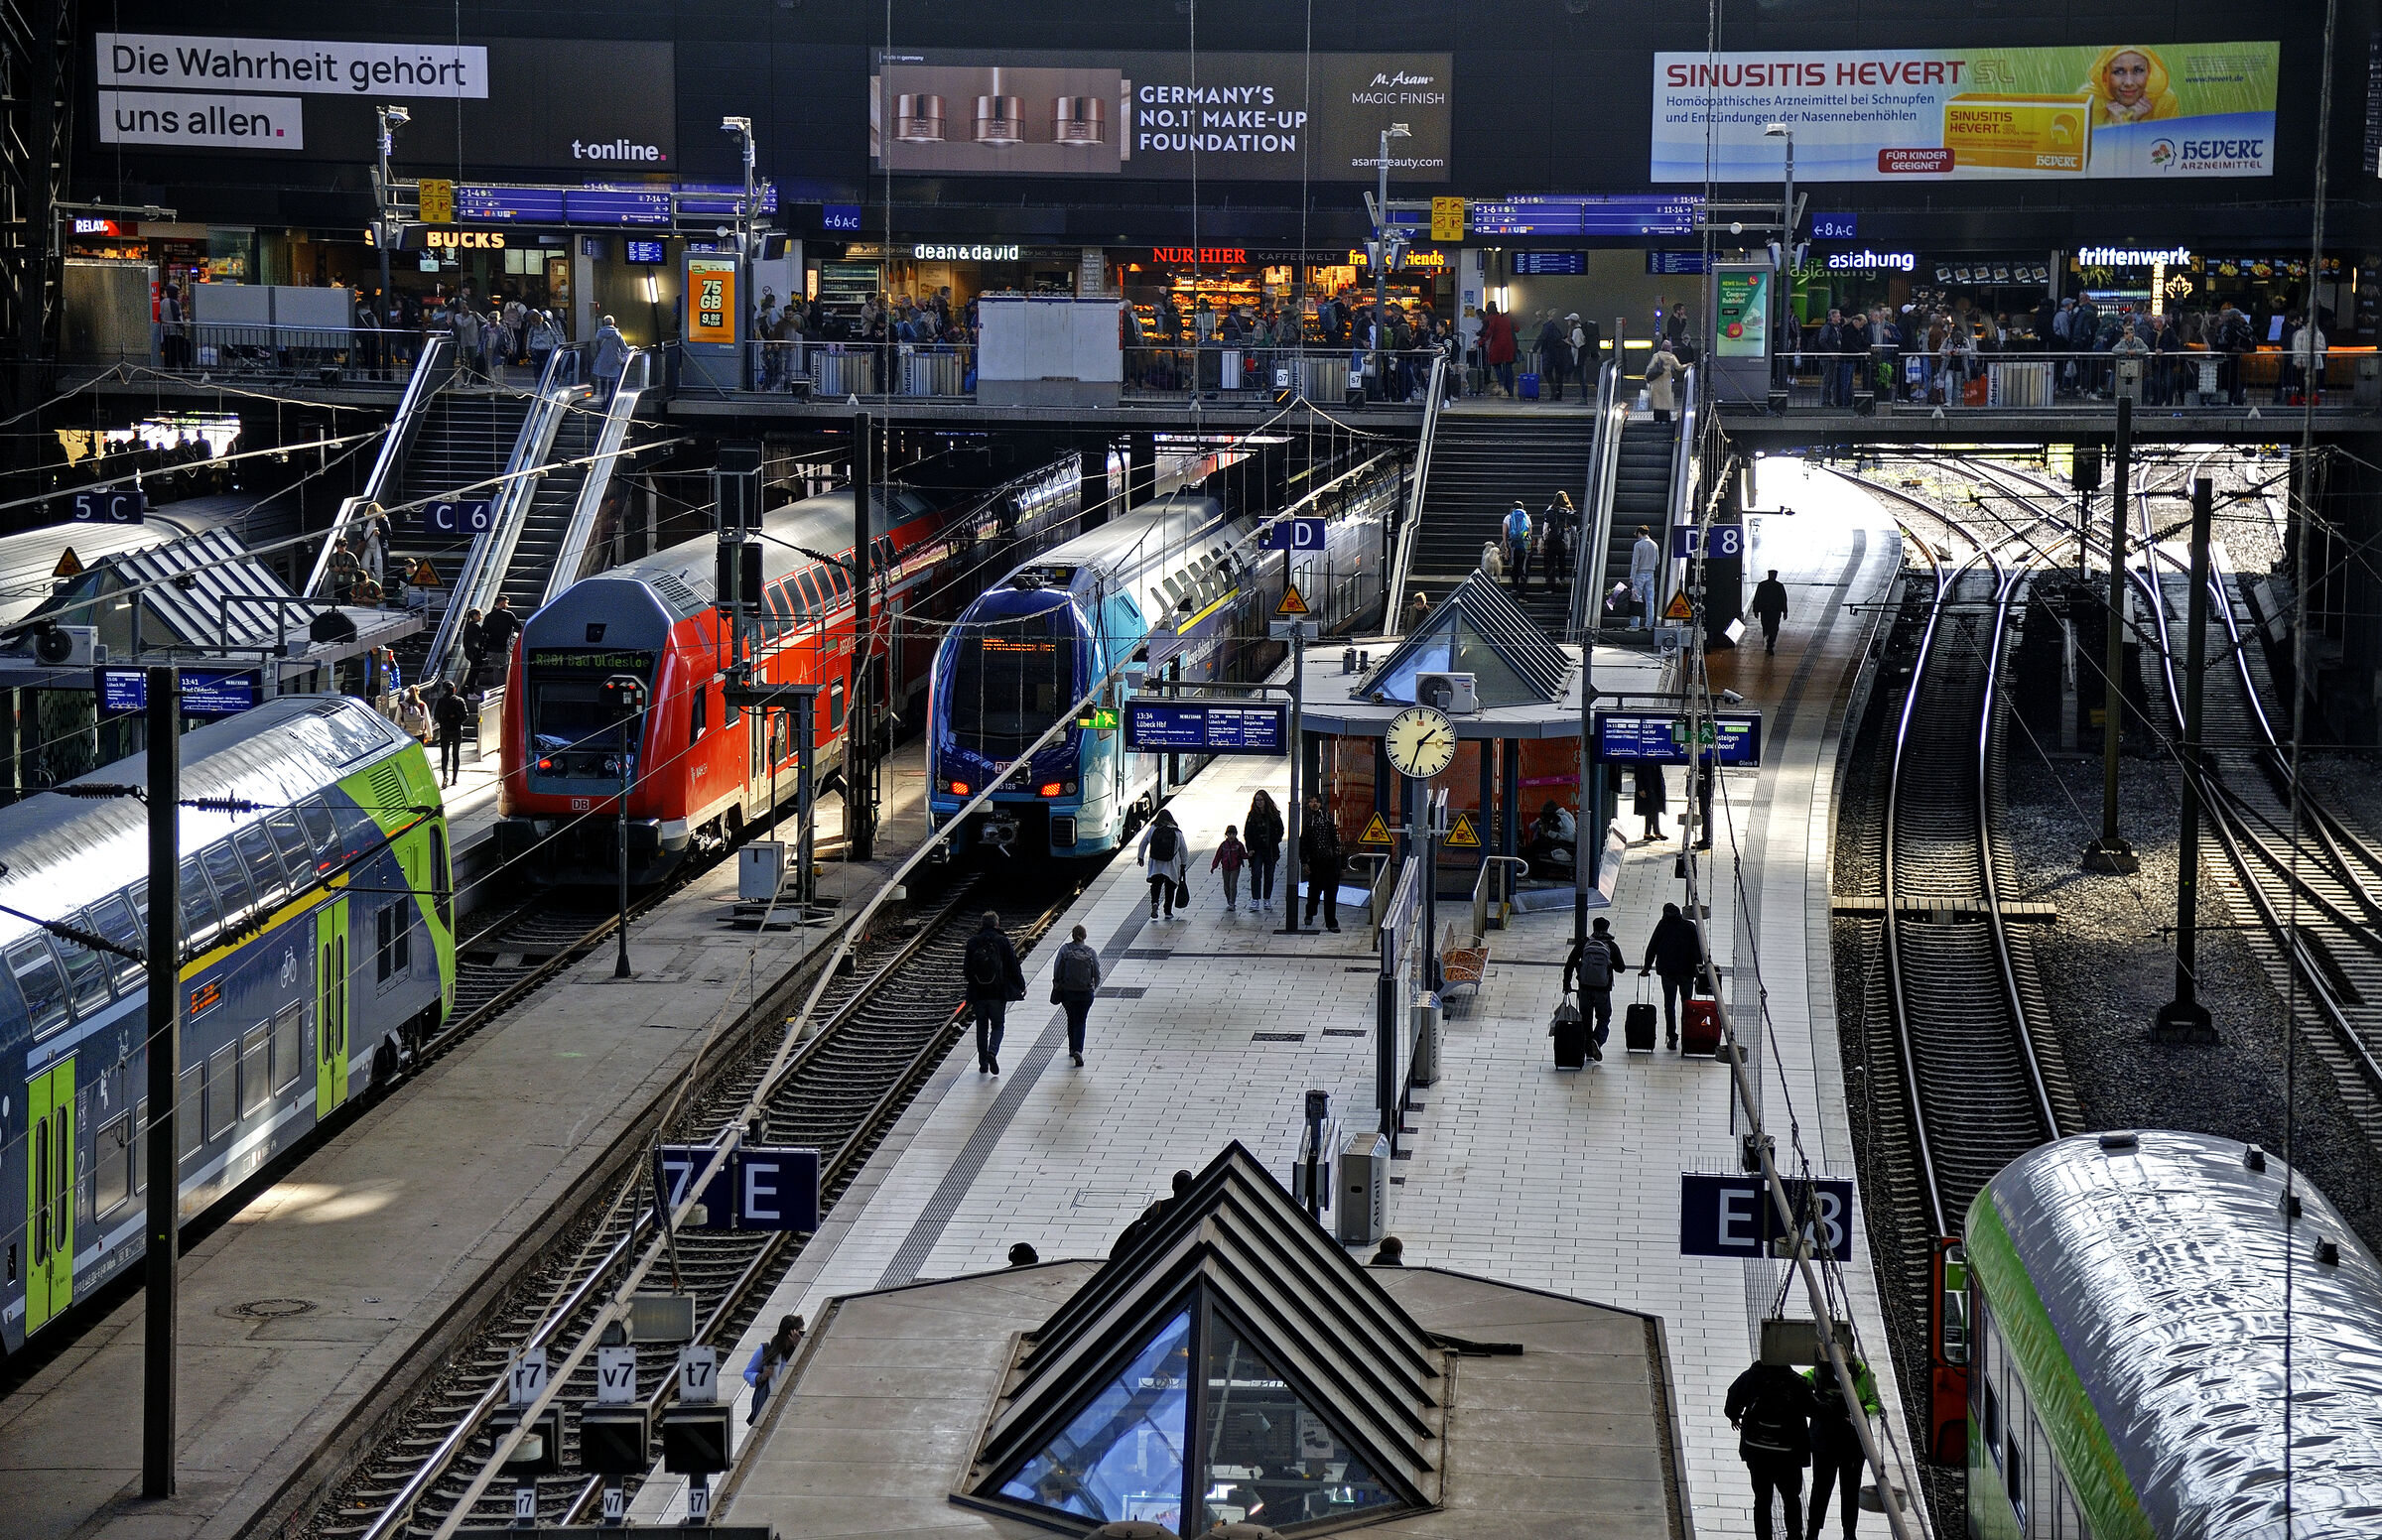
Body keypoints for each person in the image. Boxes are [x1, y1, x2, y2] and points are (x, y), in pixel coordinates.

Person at [1726, 1356, 1816, 1540]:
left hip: (1757, 1451)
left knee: (1762, 1500)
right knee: (1791, 1499)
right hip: (1787, 1454)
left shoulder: (1750, 1376)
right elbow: (1814, 1409)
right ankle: (1794, 1536)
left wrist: (1735, 1416)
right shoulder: (1796, 1382)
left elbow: (1732, 1401)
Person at [1804, 1354, 1882, 1540]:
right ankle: (1815, 1532)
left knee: (1842, 1490)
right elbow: (1801, 1384)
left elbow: (1875, 1404)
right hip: (1834, 1442)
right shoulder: (1820, 1371)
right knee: (1825, 1489)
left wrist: (1861, 1411)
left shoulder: (1864, 1374)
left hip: (1845, 1443)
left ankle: (1846, 1533)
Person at [963, 910, 1024, 1075]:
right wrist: (1021, 985)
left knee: (981, 1027)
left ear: (982, 924)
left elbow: (966, 970)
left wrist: (976, 982)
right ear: (997, 924)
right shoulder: (1002, 941)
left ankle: (983, 1064)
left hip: (978, 994)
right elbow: (1013, 966)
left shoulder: (972, 942)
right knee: (998, 1025)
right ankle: (992, 1052)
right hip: (998, 993)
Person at [1642, 899, 1706, 1052]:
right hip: (1687, 974)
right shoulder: (1690, 926)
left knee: (1669, 1006)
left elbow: (1652, 947)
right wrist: (1698, 971)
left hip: (1668, 973)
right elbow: (1698, 950)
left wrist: (1646, 967)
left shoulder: (1663, 925)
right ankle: (1687, 1036)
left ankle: (1672, 1037)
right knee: (1688, 1006)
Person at [1561, 916, 1624, 1060]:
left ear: (1594, 927)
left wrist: (1567, 983)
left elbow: (1570, 963)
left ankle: (1588, 1051)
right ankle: (1597, 1040)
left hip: (1585, 988)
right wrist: (1609, 964)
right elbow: (1621, 968)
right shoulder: (1611, 946)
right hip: (1603, 989)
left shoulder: (1584, 943)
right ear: (1607, 928)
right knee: (1604, 1017)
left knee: (1586, 1019)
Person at [741, 1314, 805, 1425]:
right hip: (769, 1401)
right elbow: (747, 1373)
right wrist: (761, 1376)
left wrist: (800, 1346)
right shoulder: (766, 1349)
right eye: (799, 1332)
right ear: (790, 1333)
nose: (801, 1336)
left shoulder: (800, 1350)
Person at [1051, 923, 1101, 1068]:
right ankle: (1078, 1049)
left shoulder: (1064, 949)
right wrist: (1092, 988)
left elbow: (1056, 969)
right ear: (1084, 936)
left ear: (1072, 936)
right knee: (1081, 1020)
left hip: (1067, 992)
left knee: (1071, 1017)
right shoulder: (1090, 952)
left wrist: (1058, 985)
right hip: (1085, 993)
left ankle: (1072, 1048)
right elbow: (1097, 974)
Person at [1300, 794, 1343, 932]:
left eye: (1316, 802)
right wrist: (1305, 861)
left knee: (1331, 892)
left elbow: (1335, 840)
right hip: (1315, 862)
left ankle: (1331, 922)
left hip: (1330, 862)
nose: (1314, 804)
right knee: (1314, 892)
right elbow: (1303, 843)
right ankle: (1310, 912)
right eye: (1311, 801)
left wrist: (1339, 861)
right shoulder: (1307, 821)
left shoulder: (1327, 818)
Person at [1137, 808, 1189, 920]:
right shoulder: (1176, 831)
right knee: (1170, 888)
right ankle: (1168, 912)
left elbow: (1143, 843)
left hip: (1155, 863)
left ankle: (1155, 903)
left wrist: (1140, 857)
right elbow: (1183, 849)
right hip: (1171, 864)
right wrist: (1183, 864)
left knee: (1156, 885)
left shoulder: (1153, 828)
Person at [1244, 790, 1284, 911]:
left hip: (1270, 850)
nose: (1259, 802)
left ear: (1266, 800)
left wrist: (1275, 840)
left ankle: (1267, 899)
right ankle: (1255, 899)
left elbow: (1280, 830)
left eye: (1261, 800)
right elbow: (1247, 833)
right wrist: (1249, 848)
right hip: (1257, 851)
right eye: (1257, 800)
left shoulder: (1273, 815)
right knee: (1256, 874)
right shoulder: (1252, 816)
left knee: (1269, 875)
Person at [1522, 799, 1575, 876]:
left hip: (1563, 844)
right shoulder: (1567, 815)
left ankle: (1529, 869)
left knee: (1535, 846)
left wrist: (1546, 832)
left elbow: (1552, 835)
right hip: (1569, 843)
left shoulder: (1557, 818)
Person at [478, 596, 521, 689]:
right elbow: (520, 627)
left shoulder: (489, 616)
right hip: (504, 648)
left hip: (492, 649)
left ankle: (498, 691)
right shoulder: (509, 615)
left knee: (497, 672)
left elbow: (484, 631)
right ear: (502, 603)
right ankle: (507, 692)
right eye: (506, 603)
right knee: (507, 670)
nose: (507, 605)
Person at [432, 681, 468, 788]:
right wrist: (457, 721)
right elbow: (466, 715)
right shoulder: (460, 701)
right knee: (455, 754)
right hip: (457, 730)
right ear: (454, 690)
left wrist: (443, 722)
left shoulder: (441, 701)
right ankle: (454, 779)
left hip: (445, 730)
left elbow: (436, 716)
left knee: (445, 755)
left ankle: (445, 775)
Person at [1481, 301, 1518, 398]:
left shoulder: (1492, 319)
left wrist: (1481, 341)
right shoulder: (1507, 319)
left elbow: (1489, 332)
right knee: (1508, 368)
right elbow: (1517, 329)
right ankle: (1511, 391)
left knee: (1497, 367)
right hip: (1509, 346)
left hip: (1497, 346)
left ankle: (1502, 386)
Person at [1629, 525, 1661, 630]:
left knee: (1636, 599)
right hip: (1650, 574)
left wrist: (1631, 577)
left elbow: (1635, 563)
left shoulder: (1638, 545)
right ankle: (1649, 625)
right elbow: (1657, 562)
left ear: (1639, 533)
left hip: (1639, 574)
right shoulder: (1654, 545)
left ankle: (1635, 625)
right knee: (1650, 600)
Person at [1751, 570, 1789, 655]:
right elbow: (1783, 599)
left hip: (1765, 611)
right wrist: (1785, 611)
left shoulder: (1762, 585)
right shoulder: (1779, 586)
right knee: (1774, 627)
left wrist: (1756, 610)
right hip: (1775, 612)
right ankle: (1770, 644)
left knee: (1766, 626)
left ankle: (1767, 640)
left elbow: (1757, 598)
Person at [1211, 824, 1249, 912]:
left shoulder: (1239, 845)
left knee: (1232, 885)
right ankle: (1229, 901)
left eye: (1233, 834)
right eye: (1229, 834)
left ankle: (1232, 903)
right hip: (1225, 868)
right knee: (1226, 886)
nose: (1231, 836)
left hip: (1235, 868)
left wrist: (1249, 855)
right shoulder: (1223, 845)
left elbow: (1243, 855)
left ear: (1236, 835)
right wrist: (1214, 866)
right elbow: (1218, 856)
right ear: (1226, 835)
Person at [593, 314, 628, 402]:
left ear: (604, 323)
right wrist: (633, 348)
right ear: (613, 323)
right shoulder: (617, 334)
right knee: (613, 384)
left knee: (603, 384)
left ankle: (603, 404)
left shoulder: (599, 333)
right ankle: (610, 402)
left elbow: (596, 349)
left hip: (602, 361)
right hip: (614, 361)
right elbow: (624, 348)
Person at [1646, 340, 1681, 424]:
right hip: (1667, 382)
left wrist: (1647, 378)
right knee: (1666, 401)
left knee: (1657, 401)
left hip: (1656, 382)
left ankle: (1657, 419)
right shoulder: (1672, 357)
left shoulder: (1656, 356)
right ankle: (1666, 419)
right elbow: (1679, 367)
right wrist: (1688, 365)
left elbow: (1650, 367)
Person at [1503, 500, 1533, 592]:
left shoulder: (1508, 517)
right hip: (1525, 545)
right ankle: (1522, 591)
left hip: (1513, 545)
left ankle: (1514, 588)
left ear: (1513, 508)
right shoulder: (1526, 517)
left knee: (1514, 566)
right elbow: (1530, 532)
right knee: (1524, 567)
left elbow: (1504, 533)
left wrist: (1505, 546)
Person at [1633, 761, 1667, 842]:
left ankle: (1647, 833)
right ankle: (1656, 832)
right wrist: (1640, 788)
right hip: (1647, 786)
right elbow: (1638, 773)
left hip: (1654, 785)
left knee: (1650, 810)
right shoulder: (1642, 758)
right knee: (1653, 809)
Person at [460, 607, 487, 691]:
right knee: (474, 672)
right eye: (480, 615)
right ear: (475, 616)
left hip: (470, 652)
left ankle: (471, 689)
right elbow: (482, 638)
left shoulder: (468, 625)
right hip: (475, 652)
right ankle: (471, 691)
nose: (481, 617)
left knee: (473, 671)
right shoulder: (476, 626)